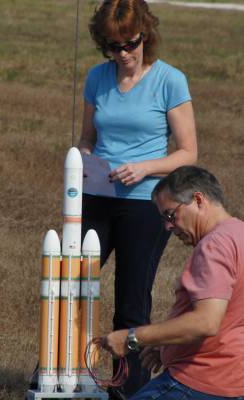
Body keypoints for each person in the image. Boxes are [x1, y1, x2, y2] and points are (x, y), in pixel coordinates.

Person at [78, 0, 197, 397]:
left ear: (146, 35)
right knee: (72, 284)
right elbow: (87, 139)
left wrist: (144, 167)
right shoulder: (97, 78)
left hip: (145, 202)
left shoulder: (170, 80)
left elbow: (187, 153)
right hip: (97, 197)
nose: (123, 54)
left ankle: (127, 388)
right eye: (113, 46)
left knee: (130, 301)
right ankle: (62, 369)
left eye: (130, 44)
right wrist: (83, 160)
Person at [103, 166, 244, 399]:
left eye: (170, 215)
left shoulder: (213, 247)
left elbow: (206, 322)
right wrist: (170, 345)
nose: (168, 226)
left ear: (198, 199)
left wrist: (131, 337)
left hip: (199, 381)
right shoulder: (238, 233)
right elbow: (230, 317)